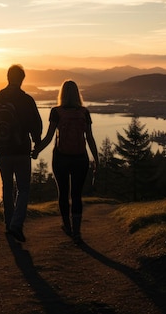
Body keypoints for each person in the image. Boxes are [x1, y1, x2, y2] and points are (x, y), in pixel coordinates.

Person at [32, 80, 99, 243]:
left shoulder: (56, 111)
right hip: (80, 158)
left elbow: (49, 137)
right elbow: (89, 138)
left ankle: (67, 226)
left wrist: (37, 150)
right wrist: (96, 159)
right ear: (78, 94)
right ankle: (77, 231)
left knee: (63, 193)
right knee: (76, 194)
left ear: (61, 94)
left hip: (61, 157)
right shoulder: (84, 112)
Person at [0, 64, 42, 242]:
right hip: (22, 150)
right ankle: (16, 225)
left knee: (7, 187)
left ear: (8, 77)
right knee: (23, 189)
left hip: (2, 150)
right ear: (22, 79)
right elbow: (36, 126)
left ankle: (9, 225)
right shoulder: (27, 100)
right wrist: (37, 146)